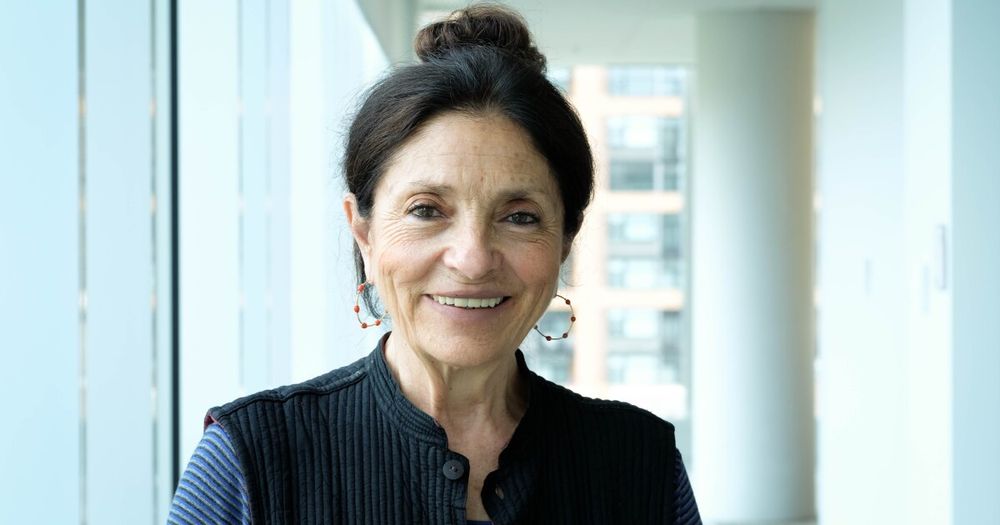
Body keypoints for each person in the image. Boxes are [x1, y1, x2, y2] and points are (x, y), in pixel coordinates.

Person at [167, 5, 700, 524]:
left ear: (566, 240)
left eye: (519, 217)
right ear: (364, 232)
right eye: (426, 210)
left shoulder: (642, 464)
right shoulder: (249, 461)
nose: (472, 259)